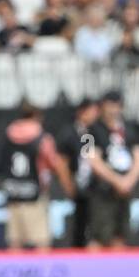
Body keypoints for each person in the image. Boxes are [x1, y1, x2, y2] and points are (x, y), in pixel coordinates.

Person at [0, 103, 71, 252]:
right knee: (41, 241)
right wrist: (67, 184)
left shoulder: (8, 134)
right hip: (34, 193)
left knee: (15, 242)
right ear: (37, 116)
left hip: (13, 192)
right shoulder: (41, 137)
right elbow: (54, 163)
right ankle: (42, 275)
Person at [84, 90, 139, 250]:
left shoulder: (131, 127)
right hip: (102, 190)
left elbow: (137, 155)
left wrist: (128, 181)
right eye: (109, 106)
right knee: (99, 237)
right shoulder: (90, 130)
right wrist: (117, 181)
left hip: (125, 189)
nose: (113, 110)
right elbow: (92, 160)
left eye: (117, 106)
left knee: (120, 236)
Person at [56, 97, 100, 248]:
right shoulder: (69, 133)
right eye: (92, 111)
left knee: (95, 227)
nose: (95, 115)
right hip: (77, 186)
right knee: (78, 226)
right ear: (82, 111)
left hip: (95, 188)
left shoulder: (97, 131)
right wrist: (67, 184)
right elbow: (62, 162)